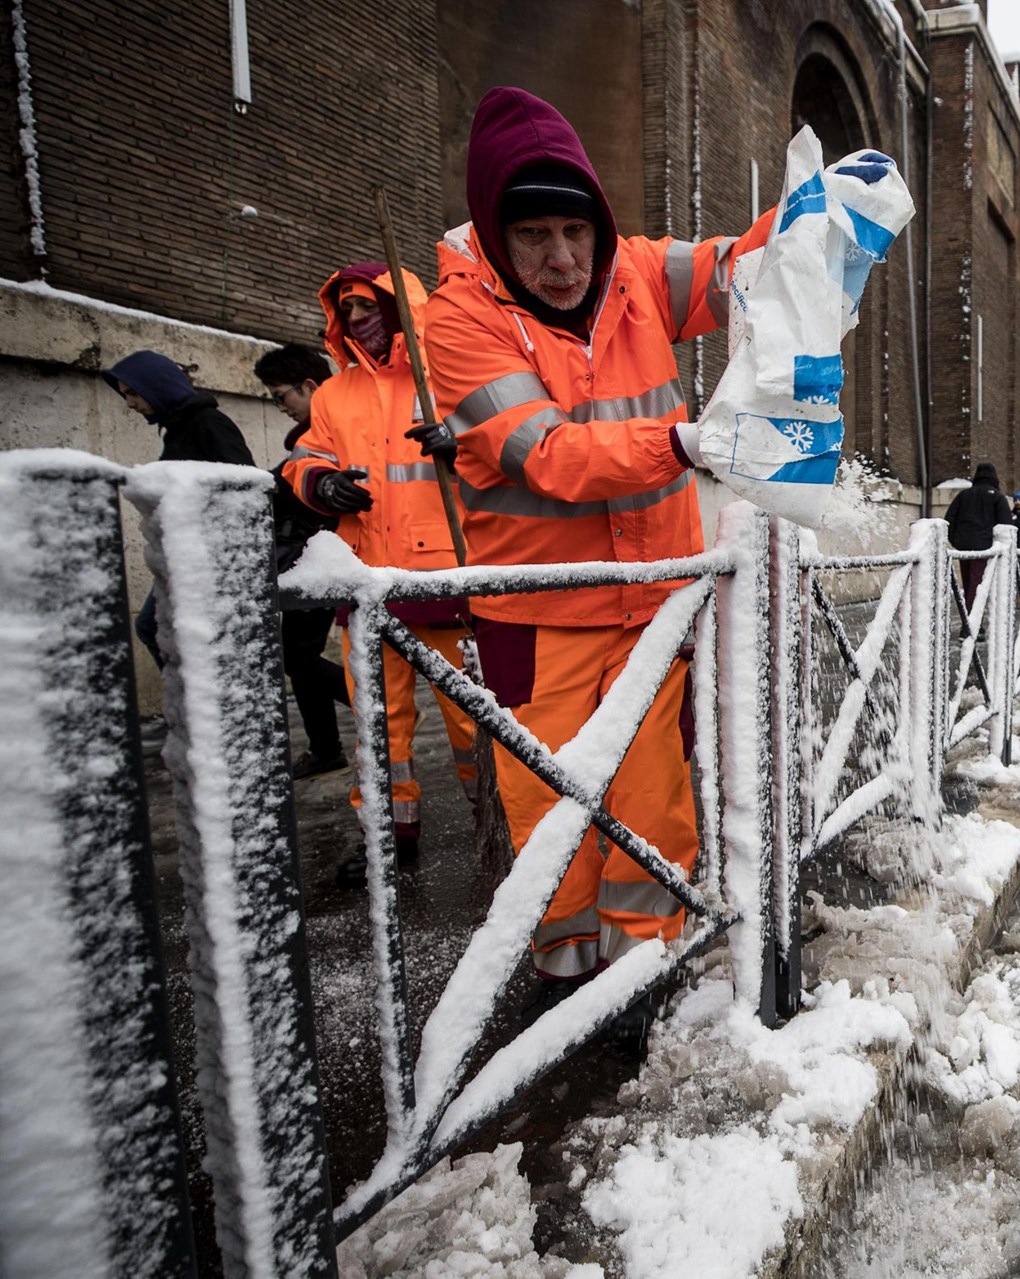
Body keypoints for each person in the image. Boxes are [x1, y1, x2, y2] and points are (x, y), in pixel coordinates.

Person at [425, 87, 825, 1053]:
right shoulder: (457, 319)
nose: (564, 259)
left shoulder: (636, 272)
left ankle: (645, 972)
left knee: (653, 810)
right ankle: (563, 984)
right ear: (495, 235)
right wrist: (685, 442)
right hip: (538, 621)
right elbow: (546, 454)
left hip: (651, 608)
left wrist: (819, 215)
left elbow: (738, 269)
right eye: (534, 237)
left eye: (577, 231)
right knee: (550, 822)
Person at [285, 263, 481, 887]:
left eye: (367, 306)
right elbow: (304, 460)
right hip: (366, 581)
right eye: (346, 309)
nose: (355, 319)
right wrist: (322, 484)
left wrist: (461, 448)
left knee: (472, 722)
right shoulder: (333, 394)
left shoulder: (448, 375)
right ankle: (387, 833)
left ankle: (498, 820)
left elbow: (507, 451)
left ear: (400, 308)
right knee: (377, 725)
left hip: (446, 583)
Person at [105, 351, 256, 666]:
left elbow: (247, 485)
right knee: (160, 629)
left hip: (209, 556)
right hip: (188, 553)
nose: (129, 403)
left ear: (157, 385)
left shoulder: (207, 422)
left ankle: (197, 695)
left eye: (133, 393)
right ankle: (194, 694)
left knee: (157, 627)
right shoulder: (179, 425)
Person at [256, 343, 350, 779]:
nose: (281, 408)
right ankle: (326, 748)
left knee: (299, 656)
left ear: (310, 386)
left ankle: (379, 707)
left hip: (324, 556)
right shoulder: (310, 438)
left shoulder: (337, 430)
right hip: (310, 558)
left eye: (281, 396)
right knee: (299, 655)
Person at [945, 463, 1013, 608]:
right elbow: (1006, 525)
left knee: (968, 582)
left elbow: (949, 520)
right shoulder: (997, 497)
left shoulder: (964, 495)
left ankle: (969, 615)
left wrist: (956, 541)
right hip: (985, 546)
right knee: (977, 583)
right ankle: (972, 617)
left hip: (964, 545)